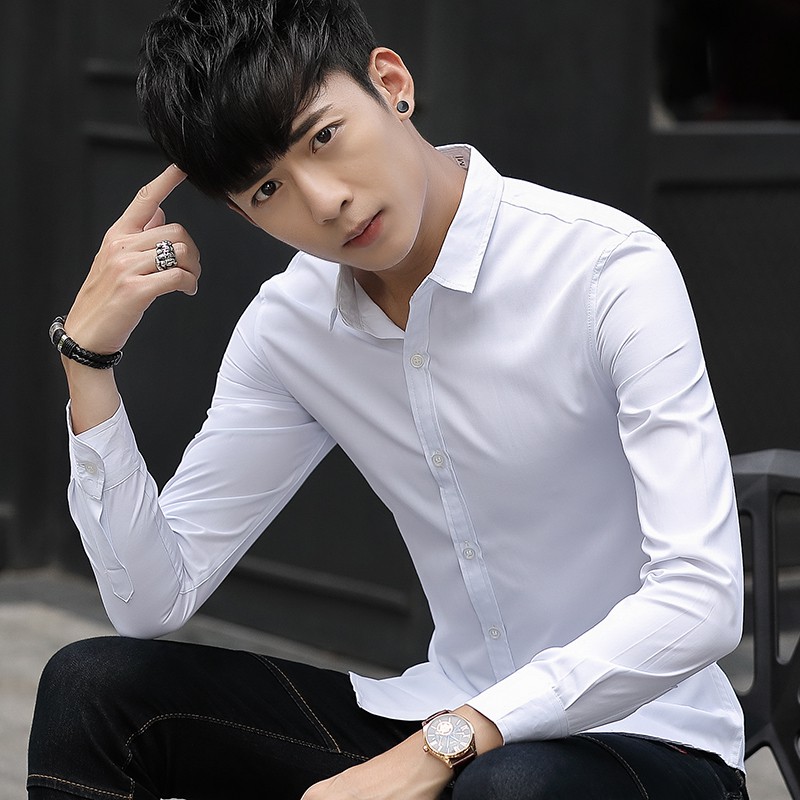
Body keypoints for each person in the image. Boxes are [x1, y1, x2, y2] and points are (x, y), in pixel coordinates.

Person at [28, 0, 749, 798]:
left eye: (323, 137)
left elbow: (703, 598)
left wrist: (445, 745)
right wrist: (87, 361)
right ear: (241, 214)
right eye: (268, 189)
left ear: (391, 83)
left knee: (512, 784)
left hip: (653, 738)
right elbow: (152, 600)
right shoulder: (291, 327)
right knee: (94, 689)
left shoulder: (605, 270)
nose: (324, 201)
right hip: (439, 711)